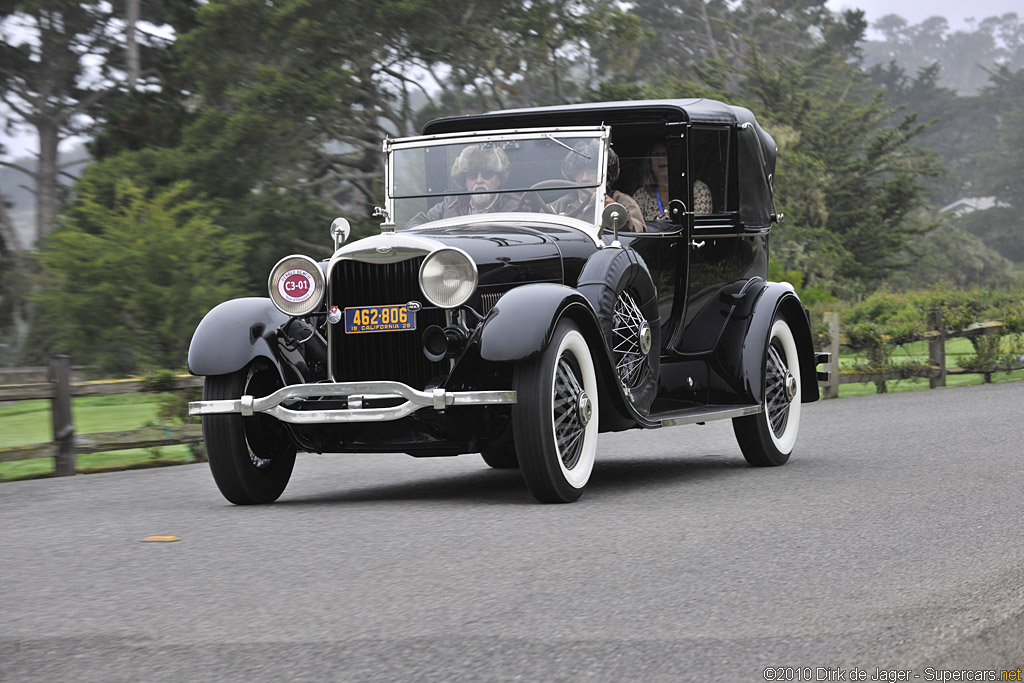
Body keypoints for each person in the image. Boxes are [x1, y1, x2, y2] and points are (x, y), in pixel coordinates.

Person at [406, 145, 520, 227]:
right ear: (464, 181)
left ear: (499, 180)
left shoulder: (516, 207)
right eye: (472, 176)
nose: (479, 180)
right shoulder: (450, 204)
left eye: (487, 174)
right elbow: (415, 224)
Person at [549, 142, 646, 233]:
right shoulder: (563, 204)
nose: (584, 178)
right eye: (579, 173)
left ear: (606, 179)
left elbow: (639, 232)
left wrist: (613, 209)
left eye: (591, 172)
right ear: (573, 177)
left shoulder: (622, 202)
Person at [632, 140, 712, 220]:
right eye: (656, 155)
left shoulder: (698, 190)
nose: (661, 158)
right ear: (650, 163)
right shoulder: (641, 195)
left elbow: (696, 227)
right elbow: (635, 227)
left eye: (667, 154)